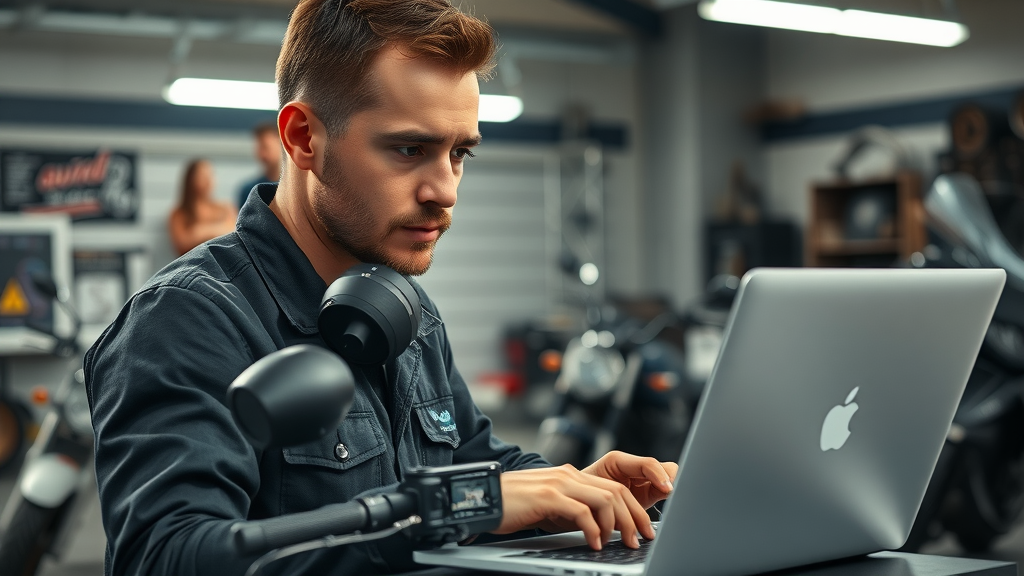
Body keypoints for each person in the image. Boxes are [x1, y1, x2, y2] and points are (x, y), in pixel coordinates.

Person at [85, 1, 677, 575]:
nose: (444, 191)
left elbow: (480, 465)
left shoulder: (400, 306)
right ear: (303, 138)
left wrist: (575, 488)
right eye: (410, 149)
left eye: (460, 153)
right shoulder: (187, 320)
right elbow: (165, 556)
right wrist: (448, 508)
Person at [167, 158, 237, 256]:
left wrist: (199, 231)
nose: (208, 180)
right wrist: (217, 231)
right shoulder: (179, 213)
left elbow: (234, 233)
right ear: (191, 179)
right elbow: (181, 244)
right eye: (202, 176)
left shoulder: (225, 208)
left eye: (211, 175)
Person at [236, 122, 282, 209]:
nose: (262, 154)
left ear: (281, 144)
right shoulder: (248, 190)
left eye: (265, 147)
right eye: (258, 148)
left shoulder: (294, 188)